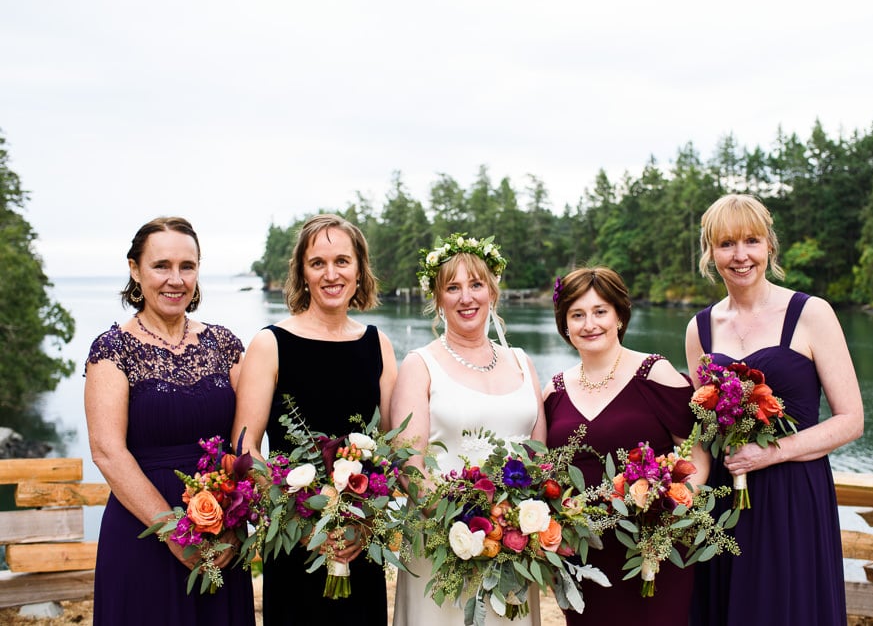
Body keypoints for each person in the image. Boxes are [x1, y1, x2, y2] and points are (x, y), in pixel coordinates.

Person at [686, 194, 864, 626]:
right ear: (710, 253)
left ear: (770, 246)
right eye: (726, 244)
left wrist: (772, 452)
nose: (741, 255)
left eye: (752, 241)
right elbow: (701, 433)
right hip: (725, 503)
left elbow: (851, 420)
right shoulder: (699, 329)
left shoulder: (811, 313)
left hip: (794, 495)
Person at [85, 217, 254, 625]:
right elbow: (108, 453)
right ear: (134, 269)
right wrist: (178, 534)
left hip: (222, 532)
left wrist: (235, 518)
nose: (175, 279)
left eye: (187, 266)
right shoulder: (112, 350)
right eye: (161, 266)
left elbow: (246, 441)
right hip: (142, 531)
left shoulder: (224, 343)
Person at [232, 213, 397, 625]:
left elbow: (395, 447)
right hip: (293, 544)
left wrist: (364, 521)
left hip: (359, 541)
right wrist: (300, 518)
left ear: (359, 270)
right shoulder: (270, 344)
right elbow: (244, 448)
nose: (331, 274)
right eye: (317, 263)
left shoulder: (379, 345)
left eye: (342, 261)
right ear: (302, 274)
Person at [390, 233, 547, 626]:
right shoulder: (420, 365)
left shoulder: (522, 361)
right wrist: (463, 527)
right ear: (438, 299)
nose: (466, 298)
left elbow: (539, 454)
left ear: (492, 292)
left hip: (513, 544)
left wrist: (514, 524)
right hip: (444, 545)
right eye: (453, 287)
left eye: (476, 285)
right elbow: (409, 463)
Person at [543, 266, 710, 625]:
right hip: (583, 556)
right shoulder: (554, 390)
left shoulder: (655, 373)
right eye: (577, 315)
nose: (590, 324)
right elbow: (546, 473)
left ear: (619, 316)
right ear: (565, 325)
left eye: (600, 311)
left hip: (651, 552)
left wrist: (666, 517)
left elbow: (695, 455)